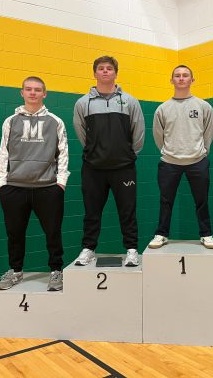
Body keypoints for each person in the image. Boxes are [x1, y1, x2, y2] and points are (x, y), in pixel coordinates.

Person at [0, 76, 70, 291]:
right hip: (15, 187)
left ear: (44, 94)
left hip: (48, 187)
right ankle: (15, 271)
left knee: (53, 232)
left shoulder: (55, 121)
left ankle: (56, 272)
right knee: (15, 233)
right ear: (22, 92)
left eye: (38, 90)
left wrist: (61, 182)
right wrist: (2, 182)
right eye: (29, 89)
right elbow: (3, 152)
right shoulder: (10, 121)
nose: (33, 93)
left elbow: (63, 152)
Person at [73, 55, 145, 267]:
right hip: (93, 168)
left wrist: (128, 155)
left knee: (128, 210)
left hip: (124, 168)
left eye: (109, 68)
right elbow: (81, 133)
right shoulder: (82, 103)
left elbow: (138, 132)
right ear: (95, 73)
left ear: (115, 73)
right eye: (101, 68)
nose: (105, 71)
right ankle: (88, 249)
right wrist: (95, 152)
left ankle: (132, 249)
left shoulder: (130, 101)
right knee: (91, 212)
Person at [149, 65, 213, 249]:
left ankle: (206, 234)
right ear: (171, 80)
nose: (181, 78)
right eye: (177, 76)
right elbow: (158, 136)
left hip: (198, 161)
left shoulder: (203, 106)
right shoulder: (162, 109)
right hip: (169, 162)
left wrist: (202, 150)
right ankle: (161, 234)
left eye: (185, 75)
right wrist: (168, 151)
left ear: (192, 80)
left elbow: (209, 131)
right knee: (165, 200)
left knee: (201, 200)